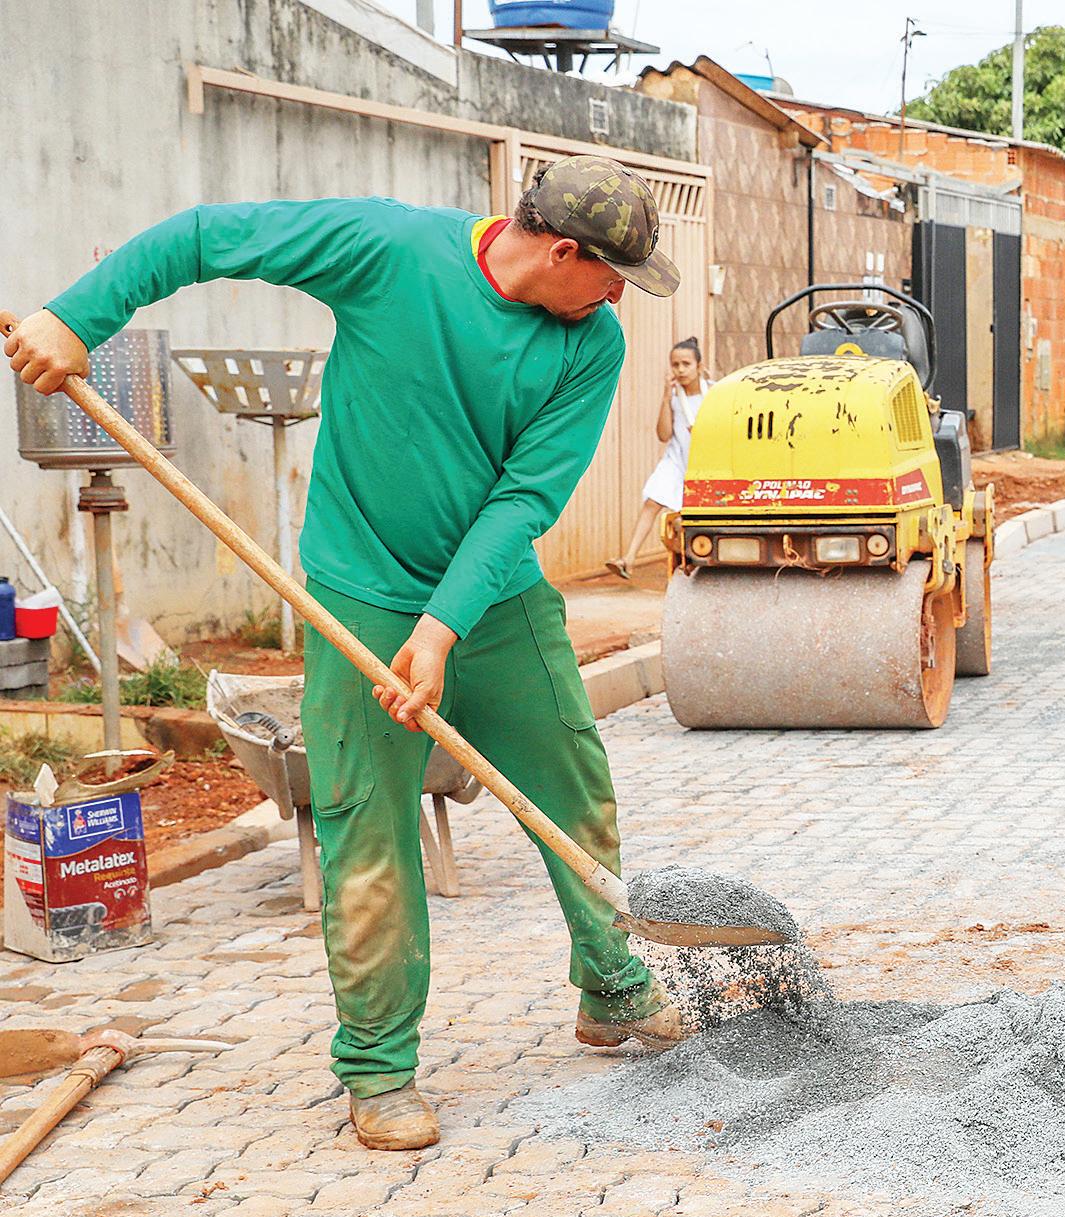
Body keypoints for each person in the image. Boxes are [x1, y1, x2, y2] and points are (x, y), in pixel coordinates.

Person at [5, 157, 689, 1153]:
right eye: (613, 275)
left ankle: (612, 984)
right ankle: (378, 1065)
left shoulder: (593, 344)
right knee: (367, 829)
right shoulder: (387, 248)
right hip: (359, 597)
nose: (620, 297)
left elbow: (525, 497)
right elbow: (204, 236)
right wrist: (76, 318)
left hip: (495, 599)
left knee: (574, 788)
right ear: (559, 250)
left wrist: (443, 626)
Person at [607, 338, 707, 580]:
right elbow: (663, 435)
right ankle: (629, 559)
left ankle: (692, 567)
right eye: (675, 364)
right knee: (652, 501)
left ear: (699, 366)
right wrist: (665, 398)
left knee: (689, 518)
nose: (680, 370)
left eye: (686, 364)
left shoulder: (714, 394)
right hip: (676, 459)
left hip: (703, 464)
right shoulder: (673, 398)